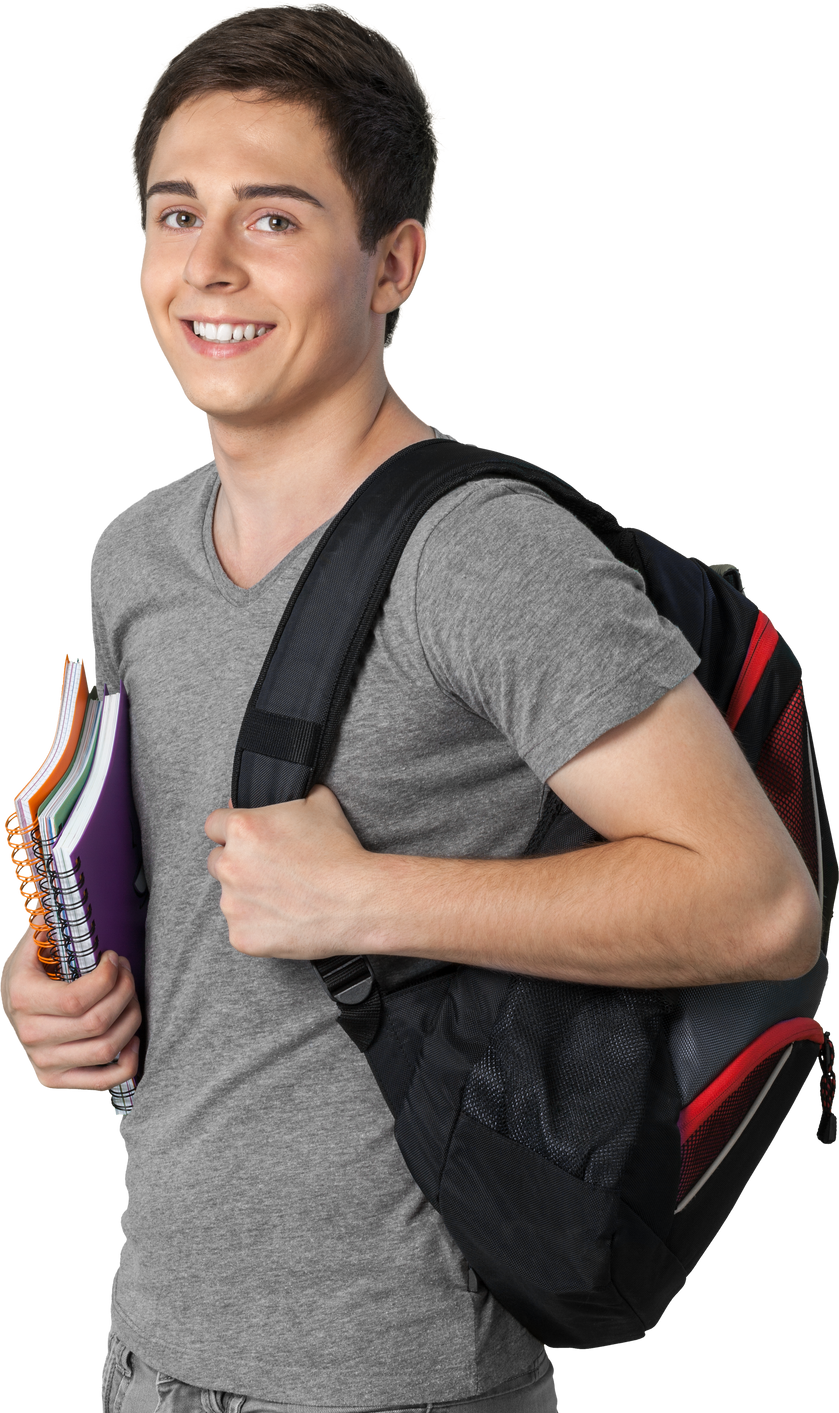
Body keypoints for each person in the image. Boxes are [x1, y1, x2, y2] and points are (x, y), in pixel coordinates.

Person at [0, 6, 821, 1411]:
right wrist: (50, 986)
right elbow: (196, 907)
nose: (203, 267)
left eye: (272, 221)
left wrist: (366, 900)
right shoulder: (131, 553)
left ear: (393, 264)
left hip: (403, 1374)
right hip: (153, 1346)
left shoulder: (485, 558)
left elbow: (756, 907)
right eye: (172, 212)